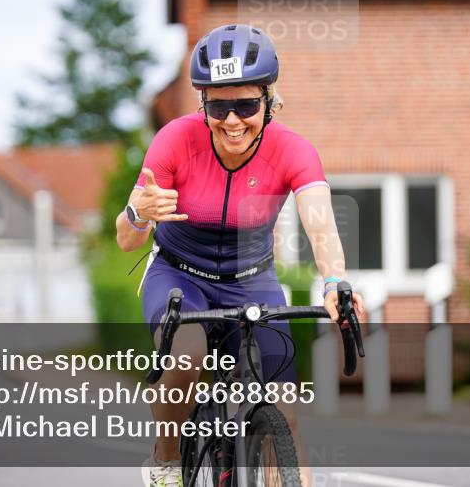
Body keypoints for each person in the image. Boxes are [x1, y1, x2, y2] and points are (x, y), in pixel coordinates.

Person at [117, 24, 364, 487]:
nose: (233, 121)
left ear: (269, 101)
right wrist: (137, 213)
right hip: (179, 277)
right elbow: (127, 240)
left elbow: (320, 222)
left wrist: (335, 283)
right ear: (202, 105)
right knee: (187, 357)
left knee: (285, 414)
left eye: (247, 105)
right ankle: (167, 457)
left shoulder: (293, 150)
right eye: (219, 106)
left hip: (252, 279)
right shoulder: (174, 140)